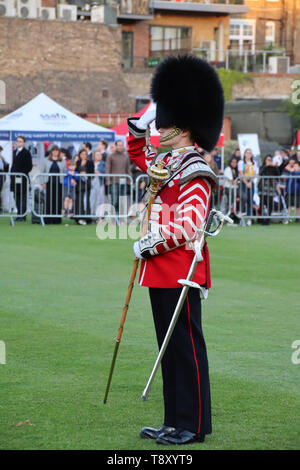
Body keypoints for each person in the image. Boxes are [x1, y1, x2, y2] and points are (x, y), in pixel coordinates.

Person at [127, 55, 224, 445]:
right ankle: (174, 420)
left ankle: (195, 425)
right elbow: (140, 156)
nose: (159, 129)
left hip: (182, 272)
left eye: (164, 124)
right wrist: (137, 129)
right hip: (161, 272)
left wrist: (147, 244)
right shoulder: (168, 162)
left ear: (182, 129)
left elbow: (187, 226)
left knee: (186, 350)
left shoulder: (195, 169)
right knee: (169, 352)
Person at [105, 140, 131, 221]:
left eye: (121, 145)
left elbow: (128, 169)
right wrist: (108, 180)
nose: (120, 146)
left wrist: (129, 180)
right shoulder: (111, 156)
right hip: (114, 182)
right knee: (114, 200)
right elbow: (107, 169)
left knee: (122, 201)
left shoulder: (126, 156)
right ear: (115, 146)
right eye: (119, 145)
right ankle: (113, 218)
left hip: (123, 182)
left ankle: (121, 218)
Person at [41, 146, 66, 224]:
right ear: (51, 151)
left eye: (57, 151)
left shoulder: (63, 161)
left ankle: (57, 219)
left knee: (57, 200)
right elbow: (42, 171)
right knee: (48, 200)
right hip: (48, 183)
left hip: (59, 183)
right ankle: (48, 219)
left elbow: (64, 171)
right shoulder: (45, 160)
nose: (55, 152)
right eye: (54, 150)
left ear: (58, 152)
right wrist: (42, 182)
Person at [10, 135, 33, 221]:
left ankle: (22, 215)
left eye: (20, 141)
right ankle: (19, 214)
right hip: (14, 179)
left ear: (23, 143)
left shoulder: (26, 153)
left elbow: (29, 167)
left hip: (22, 179)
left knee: (23, 197)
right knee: (16, 197)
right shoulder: (14, 152)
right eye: (17, 141)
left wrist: (20, 173)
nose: (18, 142)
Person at [73, 148, 94, 225]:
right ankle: (79, 217)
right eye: (82, 154)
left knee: (87, 200)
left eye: (85, 154)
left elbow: (92, 173)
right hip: (78, 184)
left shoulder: (90, 162)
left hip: (87, 184)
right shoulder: (77, 162)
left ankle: (88, 218)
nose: (84, 156)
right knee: (79, 200)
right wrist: (81, 165)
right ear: (79, 155)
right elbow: (74, 171)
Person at [238, 148, 258, 226]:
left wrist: (250, 182)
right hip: (243, 183)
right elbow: (241, 173)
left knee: (250, 200)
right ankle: (241, 218)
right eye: (247, 153)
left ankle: (249, 219)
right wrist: (246, 183)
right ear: (245, 154)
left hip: (251, 182)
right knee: (243, 199)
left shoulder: (254, 163)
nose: (248, 154)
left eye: (250, 153)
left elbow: (254, 173)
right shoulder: (241, 162)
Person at [258, 155, 280, 225]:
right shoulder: (263, 166)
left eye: (270, 159)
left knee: (270, 203)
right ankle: (261, 218)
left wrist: (275, 167)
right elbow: (260, 173)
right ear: (265, 160)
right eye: (267, 159)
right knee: (262, 203)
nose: (269, 161)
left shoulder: (273, 167)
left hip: (271, 187)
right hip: (263, 187)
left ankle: (267, 219)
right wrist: (266, 166)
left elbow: (278, 174)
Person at [90, 150, 106, 217]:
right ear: (94, 156)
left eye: (100, 155)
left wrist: (99, 173)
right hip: (92, 182)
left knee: (100, 198)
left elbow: (106, 173)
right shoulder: (91, 163)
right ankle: (91, 214)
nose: (98, 156)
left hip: (100, 182)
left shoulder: (103, 164)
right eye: (97, 155)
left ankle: (99, 215)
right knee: (92, 198)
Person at [0, 146, 9, 214]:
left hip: (1, 176)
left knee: (0, 192)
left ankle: (0, 208)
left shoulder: (2, 158)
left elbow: (5, 168)